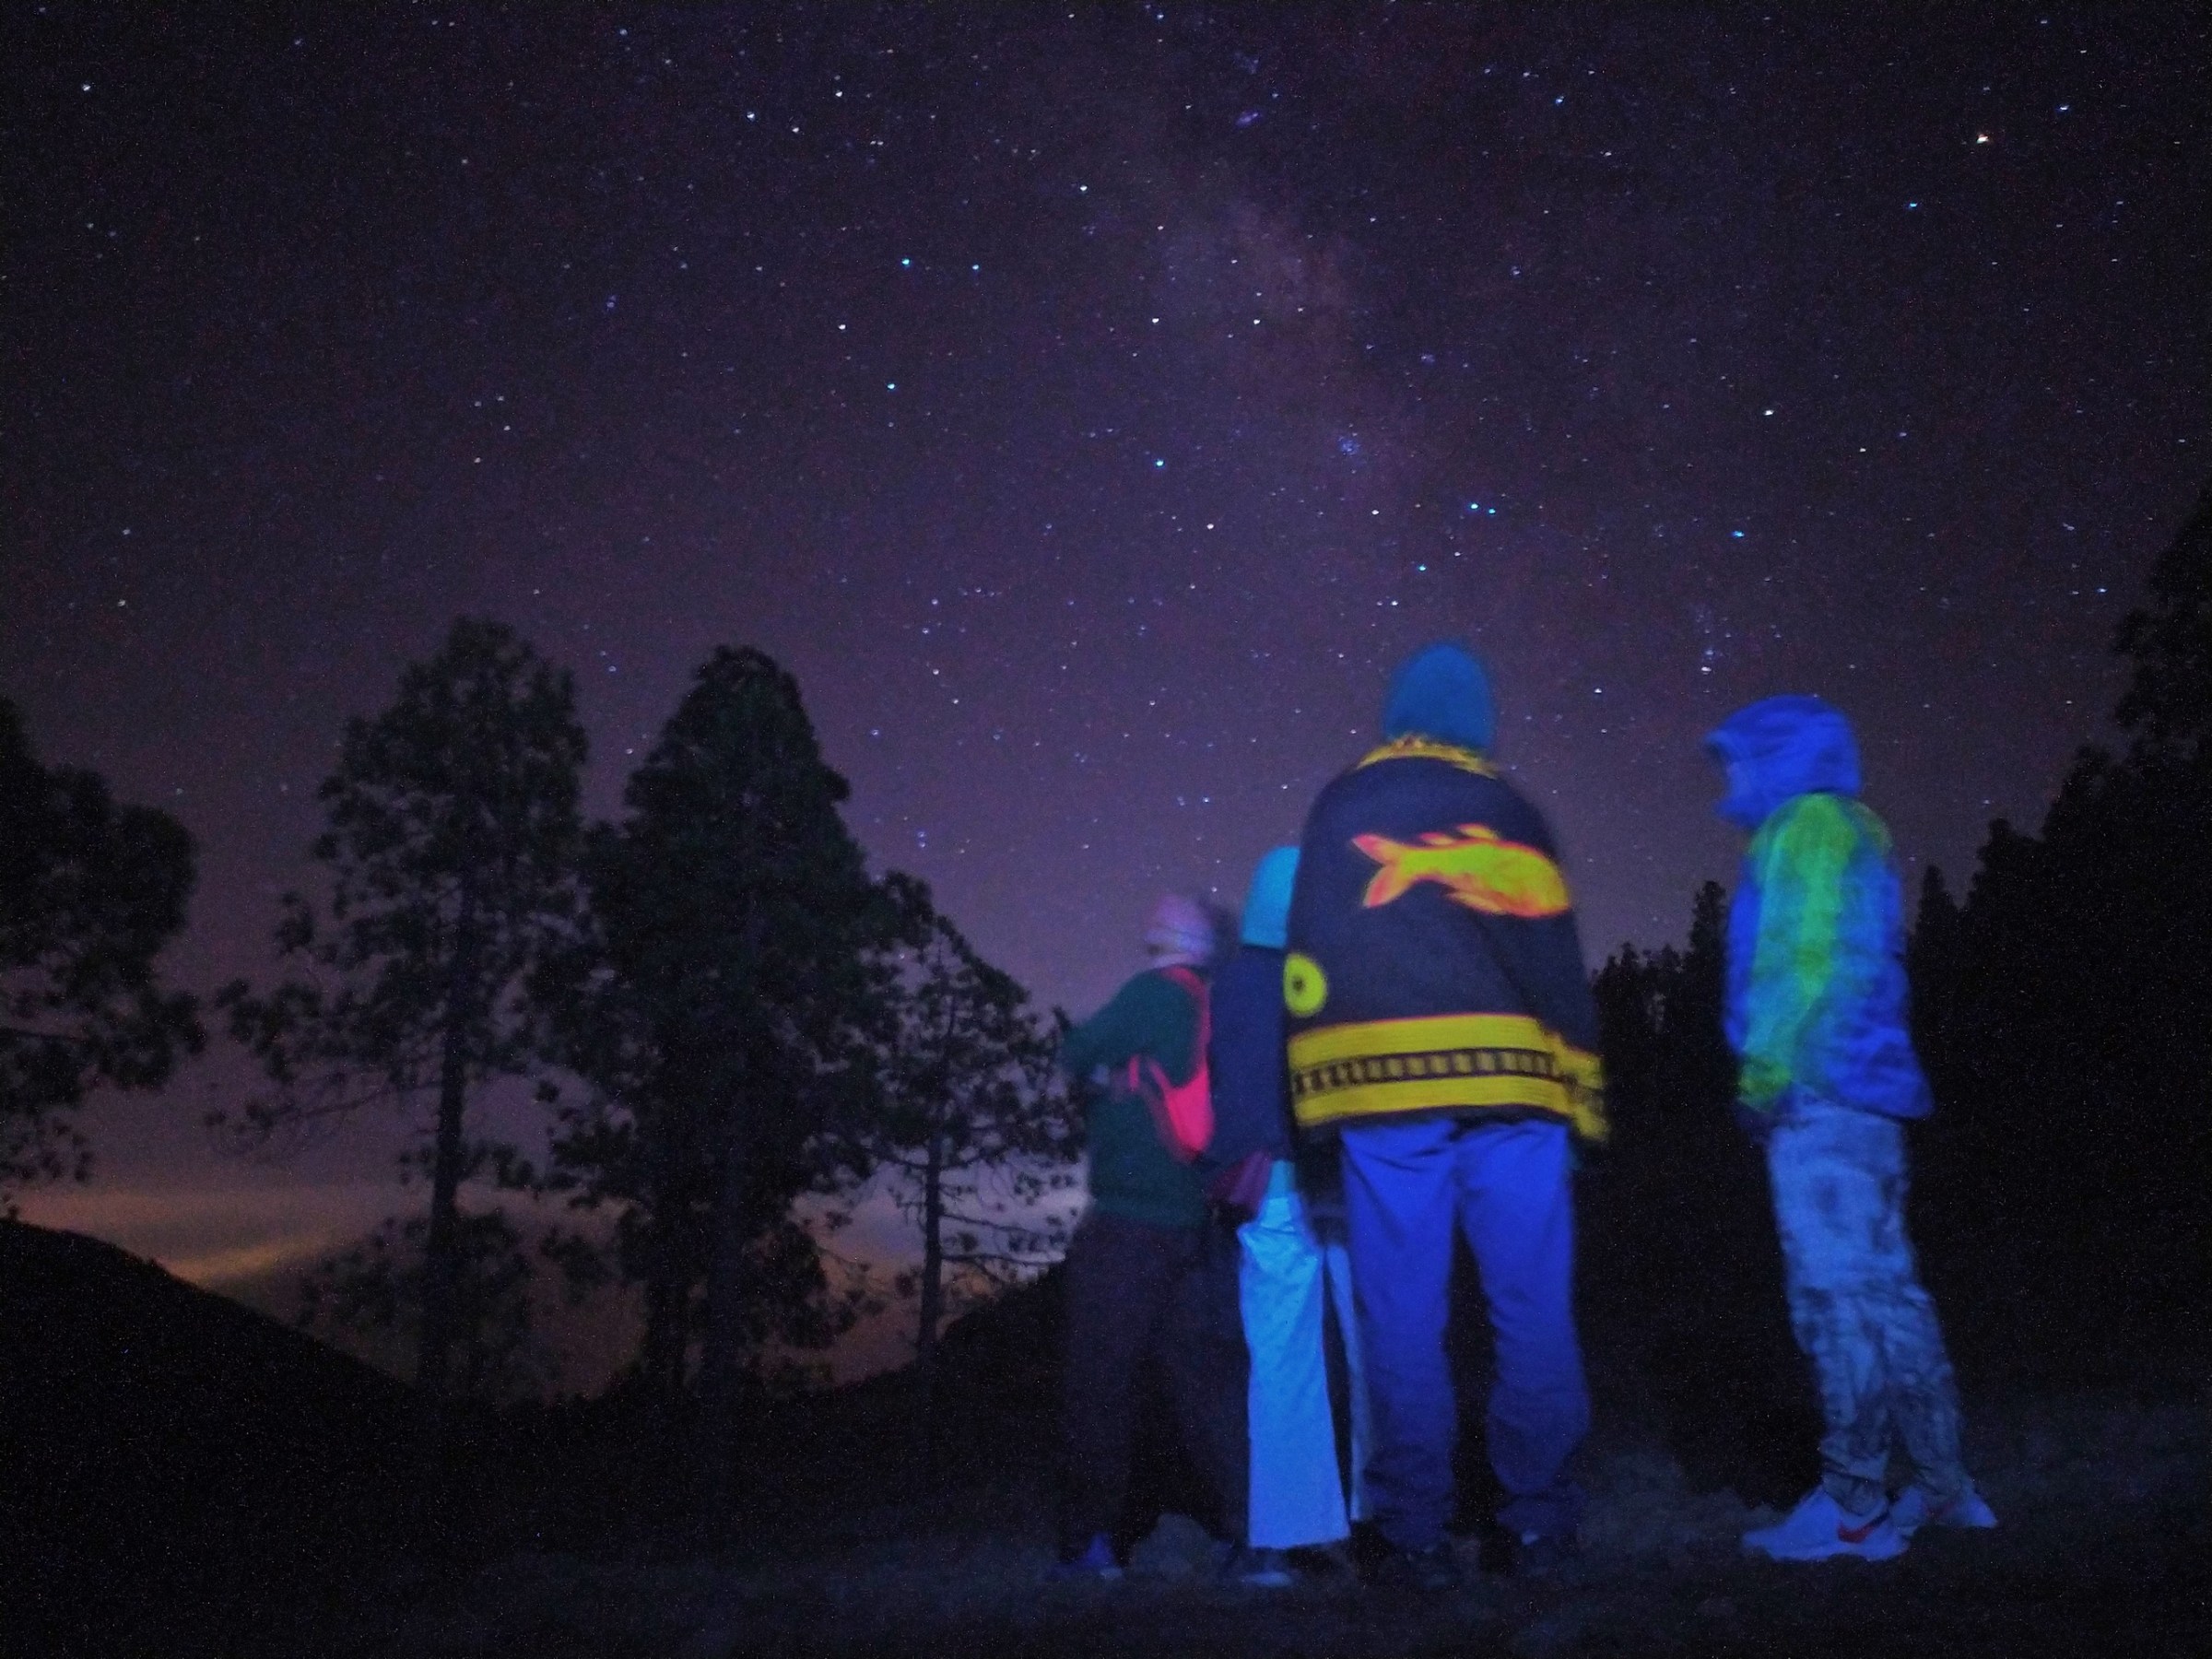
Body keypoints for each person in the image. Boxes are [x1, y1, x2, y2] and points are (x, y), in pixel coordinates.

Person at [1284, 642, 1606, 1586]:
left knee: (1402, 1317)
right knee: (1533, 1310)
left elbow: (1309, 966)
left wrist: (1313, 1118)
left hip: (1385, 1093)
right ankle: (1540, 1525)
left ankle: (1413, 1533)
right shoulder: (1511, 809)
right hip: (1516, 1091)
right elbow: (1558, 964)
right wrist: (1579, 1103)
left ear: (1397, 713)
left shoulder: (1340, 804)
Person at [1706, 696, 1996, 1562]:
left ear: (1780, 759)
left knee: (1835, 1306)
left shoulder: (1805, 827)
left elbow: (1800, 959)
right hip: (1867, 1100)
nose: (1729, 781)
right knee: (1889, 1299)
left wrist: (1763, 1076)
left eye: (1740, 761)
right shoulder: (1854, 827)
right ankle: (1946, 1491)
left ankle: (1853, 1509)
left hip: (1818, 1100)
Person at [1053, 895, 1250, 1582]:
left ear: (1159, 941)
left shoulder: (1150, 995)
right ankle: (1249, 1533)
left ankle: (1089, 1544)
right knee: (1206, 1384)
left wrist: (1109, 1076)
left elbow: (1073, 1050)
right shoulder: (1214, 1007)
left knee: (1100, 1384)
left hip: (1128, 1226)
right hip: (1194, 1223)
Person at [1202, 846, 1371, 1585]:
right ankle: (1389, 1520)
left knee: (1282, 1363)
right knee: (1375, 1355)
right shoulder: (1332, 972)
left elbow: (1225, 1093)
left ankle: (1288, 1538)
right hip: (1344, 1179)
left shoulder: (1230, 985)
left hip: (1269, 1182)